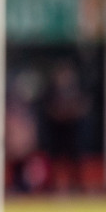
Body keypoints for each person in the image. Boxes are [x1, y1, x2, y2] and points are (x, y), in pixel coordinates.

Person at [42, 60, 88, 192]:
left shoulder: (76, 90)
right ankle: (55, 186)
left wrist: (69, 112)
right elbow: (50, 109)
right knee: (56, 161)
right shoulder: (52, 91)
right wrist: (61, 113)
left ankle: (76, 186)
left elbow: (82, 106)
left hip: (72, 132)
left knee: (75, 160)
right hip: (57, 132)